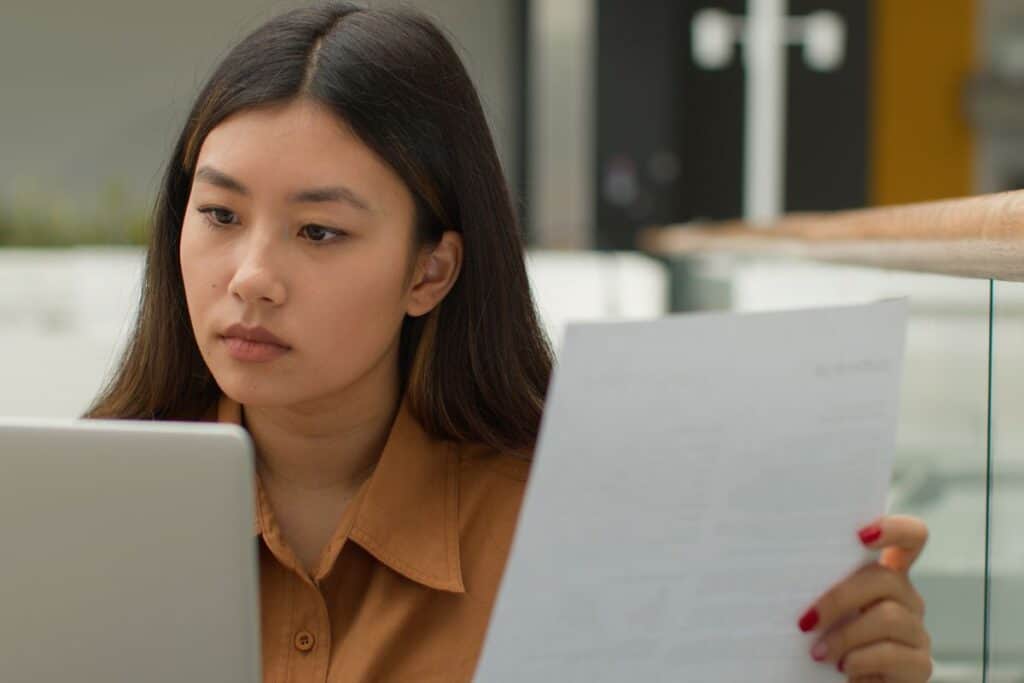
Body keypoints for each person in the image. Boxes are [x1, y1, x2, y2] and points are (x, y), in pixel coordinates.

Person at [84, 2, 933, 680]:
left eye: (319, 232)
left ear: (432, 272)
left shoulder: (586, 527)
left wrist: (844, 665)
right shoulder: (75, 507)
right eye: (220, 215)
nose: (250, 276)